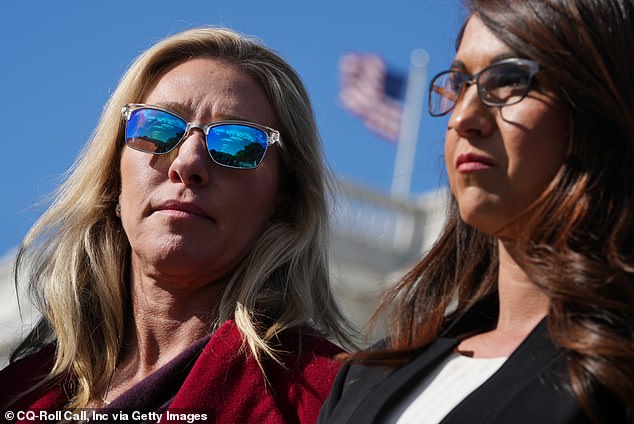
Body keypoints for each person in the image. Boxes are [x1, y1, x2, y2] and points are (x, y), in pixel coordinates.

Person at [0, 27, 353, 423]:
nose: (188, 163)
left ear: (282, 200)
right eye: (157, 128)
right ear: (114, 176)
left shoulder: (330, 402)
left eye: (236, 143)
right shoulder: (15, 395)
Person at [318, 0, 634, 423]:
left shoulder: (617, 370)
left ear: (595, 102)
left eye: (508, 80)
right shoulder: (363, 376)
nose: (465, 117)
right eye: (460, 83)